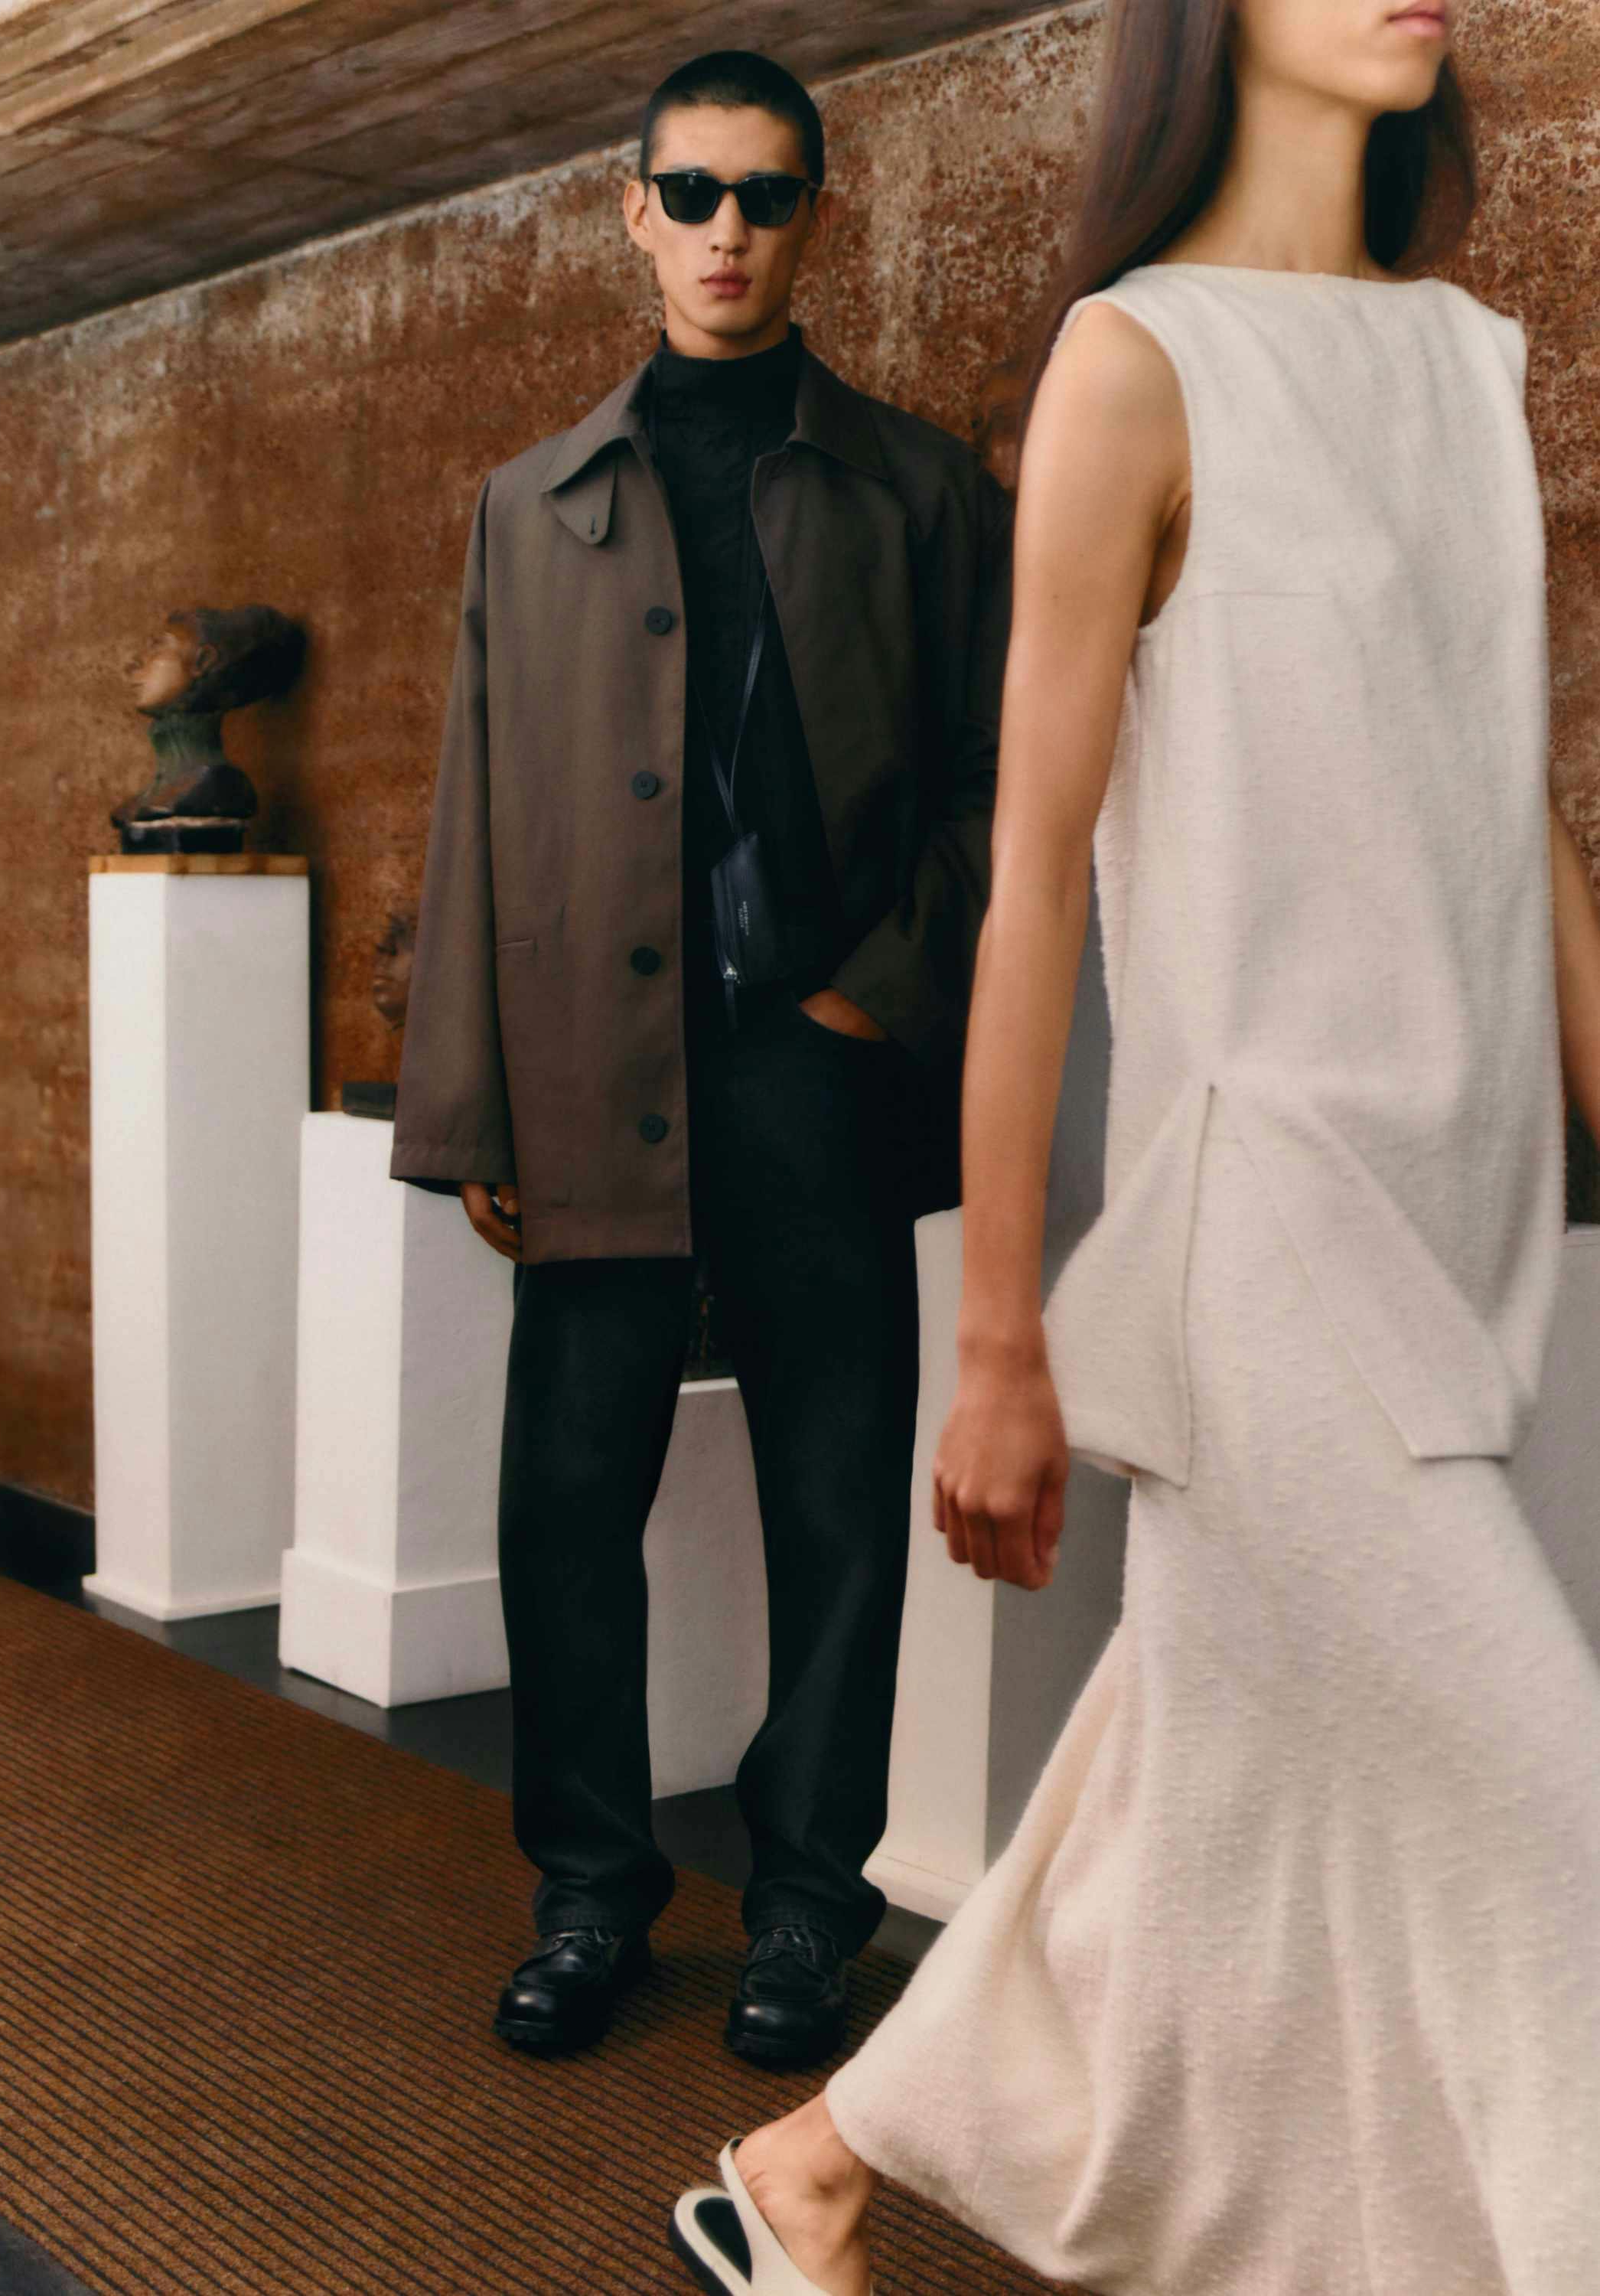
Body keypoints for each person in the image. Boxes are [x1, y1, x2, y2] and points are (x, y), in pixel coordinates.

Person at [669, 0, 1600, 2289]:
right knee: (1558, 1820)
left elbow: (1509, 806)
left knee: (1219, 1794)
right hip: (1266, 1226)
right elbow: (1032, 886)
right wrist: (999, 1342)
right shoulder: (1133, 363)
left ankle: (815, 2170)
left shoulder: (1469, 364)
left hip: (1455, 1207)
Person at [391, 50, 1012, 2070]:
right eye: (691, 193)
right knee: (567, 1497)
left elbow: (1008, 784)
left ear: (816, 214)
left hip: (818, 1070)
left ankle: (807, 1910)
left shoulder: (922, 490)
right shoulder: (531, 503)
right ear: (632, 212)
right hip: (590, 1070)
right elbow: (476, 809)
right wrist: (472, 1102)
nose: (726, 231)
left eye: (765, 194)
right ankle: (588, 1895)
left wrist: (877, 992)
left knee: (839, 1496)